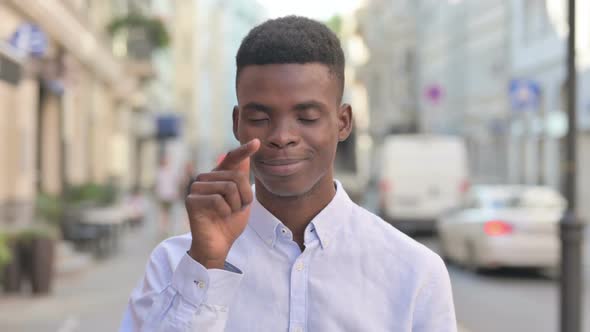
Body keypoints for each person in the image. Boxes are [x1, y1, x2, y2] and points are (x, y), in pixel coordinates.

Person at [121, 16, 457, 331]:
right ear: (237, 123)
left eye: (307, 117)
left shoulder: (414, 272)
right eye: (260, 117)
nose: (282, 136)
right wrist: (207, 265)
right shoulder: (176, 262)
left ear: (342, 123)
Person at [155, 155, 178, 236]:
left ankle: (168, 228)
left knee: (169, 213)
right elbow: (158, 184)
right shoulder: (160, 172)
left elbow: (174, 183)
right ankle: (163, 228)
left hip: (170, 195)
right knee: (163, 213)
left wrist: (175, 193)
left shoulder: (172, 171)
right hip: (163, 195)